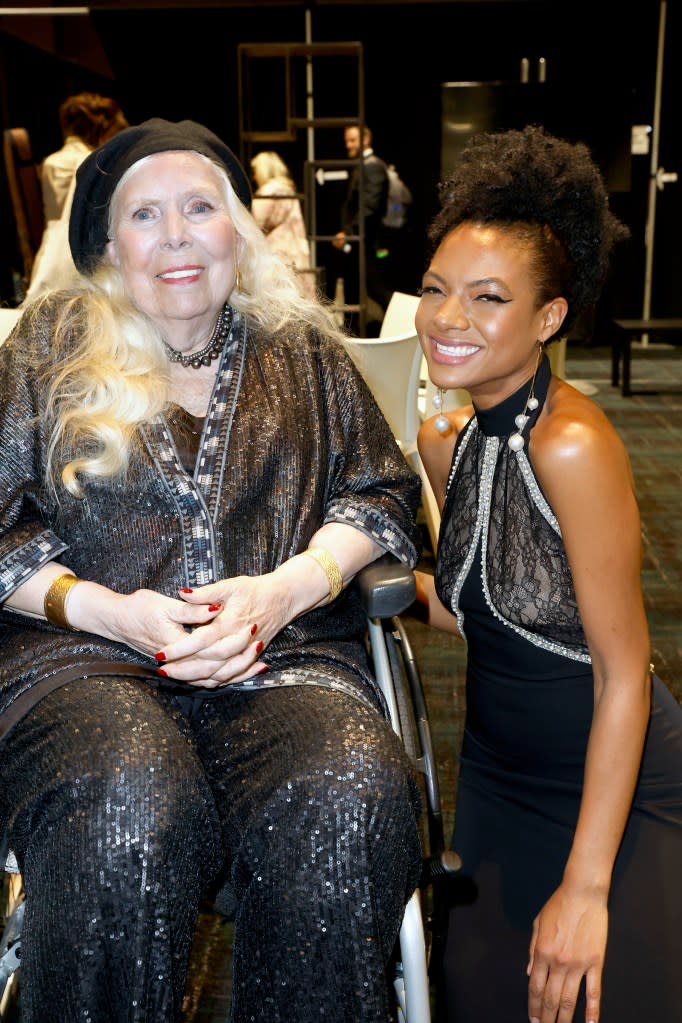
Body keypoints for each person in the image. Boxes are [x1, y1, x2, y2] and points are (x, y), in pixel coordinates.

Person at [0, 117, 424, 1023]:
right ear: (108, 245)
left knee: (351, 788)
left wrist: (287, 590)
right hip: (82, 666)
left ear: (239, 226)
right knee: (127, 793)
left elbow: (384, 494)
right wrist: (109, 612)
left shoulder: (303, 352)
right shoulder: (47, 350)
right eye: (145, 215)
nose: (178, 235)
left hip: (286, 658)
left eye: (201, 206)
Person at [414, 124, 682, 1023]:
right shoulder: (443, 440)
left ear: (549, 318)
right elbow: (478, 610)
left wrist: (587, 888)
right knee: (479, 1003)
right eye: (436, 289)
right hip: (494, 771)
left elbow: (622, 675)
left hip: (617, 782)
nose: (449, 319)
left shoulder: (572, 445)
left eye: (489, 298)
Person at [23, 92, 128, 302]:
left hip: (47, 258)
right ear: (103, 132)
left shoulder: (52, 163)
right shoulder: (93, 165)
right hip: (80, 263)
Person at [332, 124, 391, 334]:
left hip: (367, 240)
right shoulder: (363, 165)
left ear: (366, 140)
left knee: (375, 288)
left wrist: (348, 233)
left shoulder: (372, 166)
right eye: (347, 140)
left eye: (353, 140)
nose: (348, 145)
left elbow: (369, 207)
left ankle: (399, 329)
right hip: (360, 239)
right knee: (356, 288)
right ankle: (352, 333)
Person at [250, 150, 315, 298]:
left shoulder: (269, 191)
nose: (254, 176)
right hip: (295, 249)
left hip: (277, 252)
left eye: (255, 171)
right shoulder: (287, 189)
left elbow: (254, 223)